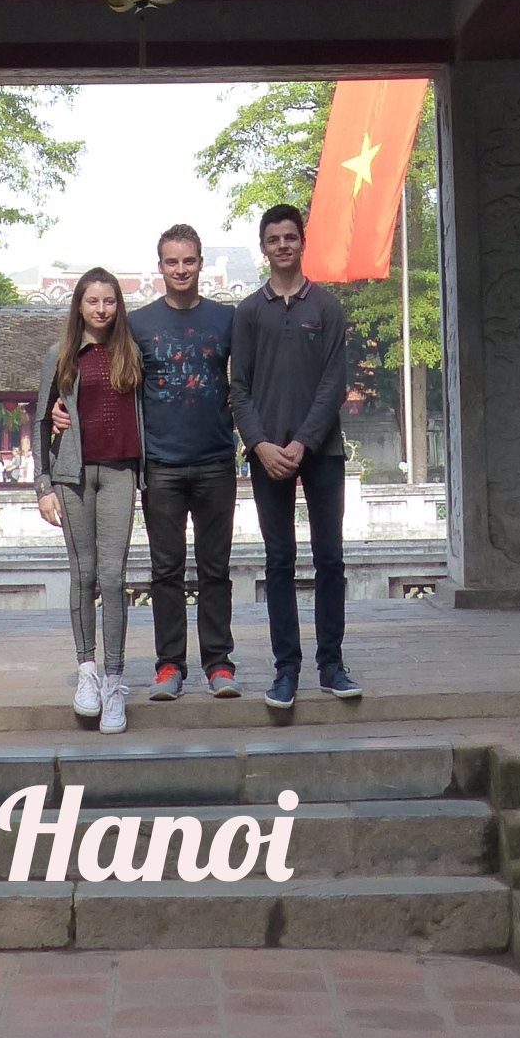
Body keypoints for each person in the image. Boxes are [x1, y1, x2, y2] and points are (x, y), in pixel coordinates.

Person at [231, 203, 362, 714]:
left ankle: (332, 663)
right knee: (279, 560)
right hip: (266, 455)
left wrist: (303, 441)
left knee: (329, 558)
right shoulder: (249, 312)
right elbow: (238, 387)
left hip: (321, 451)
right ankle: (287, 668)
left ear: (302, 243)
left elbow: (334, 385)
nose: (283, 246)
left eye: (290, 237)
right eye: (273, 239)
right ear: (262, 247)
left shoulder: (326, 308)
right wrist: (260, 444)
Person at [129, 224, 241, 702]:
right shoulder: (137, 325)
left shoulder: (227, 320)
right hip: (162, 465)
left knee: (216, 569)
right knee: (166, 570)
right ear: (160, 267)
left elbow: (250, 383)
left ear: (201, 263)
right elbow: (113, 385)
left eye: (189, 261)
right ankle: (169, 665)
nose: (180, 270)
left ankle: (219, 664)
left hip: (216, 460)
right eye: (172, 262)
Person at [36, 268, 144, 735]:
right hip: (73, 476)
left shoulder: (131, 354)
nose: (102, 309)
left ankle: (115, 681)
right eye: (93, 301)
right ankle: (87, 673)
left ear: (118, 306)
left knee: (113, 575)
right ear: (78, 304)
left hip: (120, 471)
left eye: (110, 301)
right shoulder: (60, 357)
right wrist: (43, 487)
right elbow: (42, 422)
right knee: (82, 574)